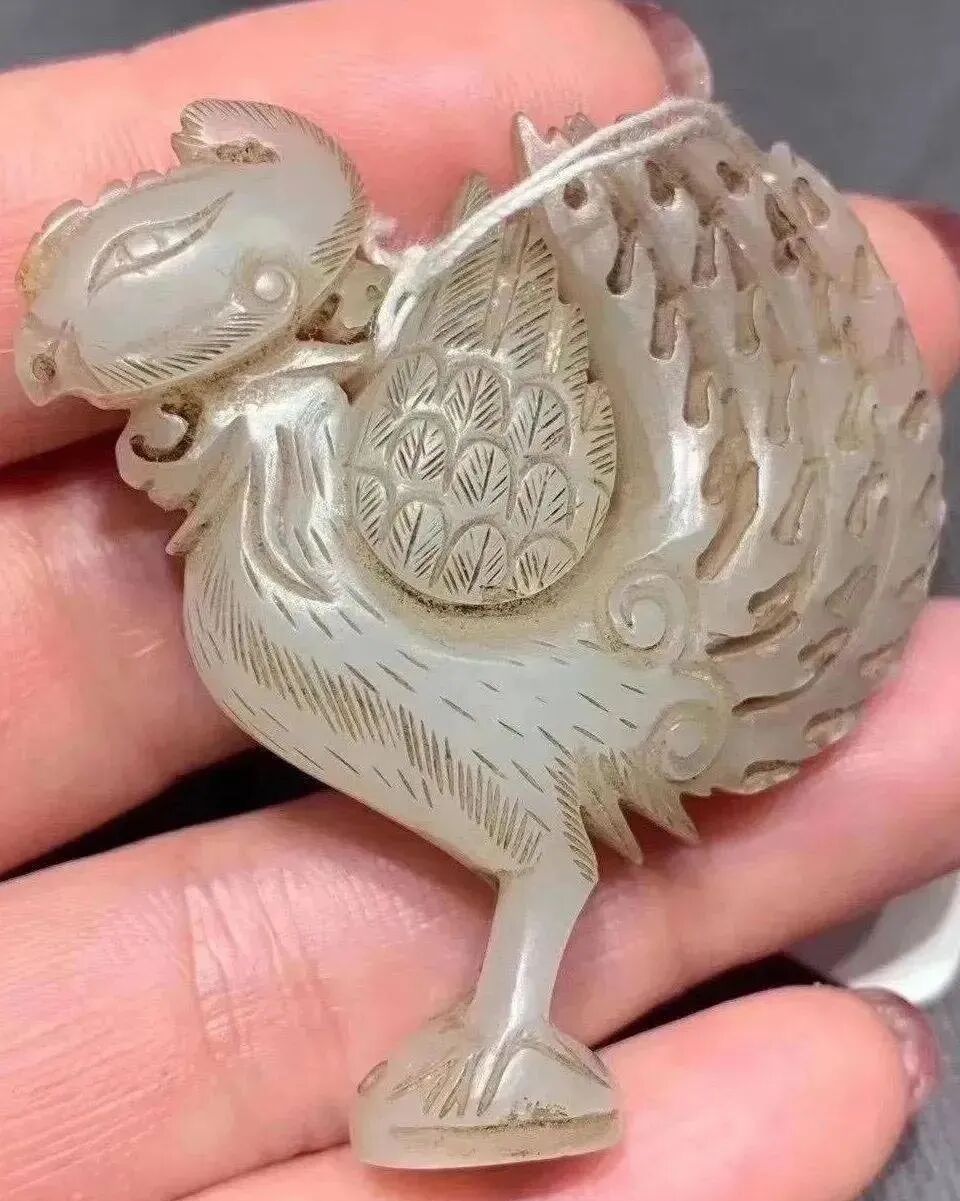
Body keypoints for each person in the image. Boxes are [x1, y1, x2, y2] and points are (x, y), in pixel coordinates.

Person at [0, 2, 957, 1198]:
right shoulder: (283, 485)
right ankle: (508, 1037)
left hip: (586, 658)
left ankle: (513, 1040)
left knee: (527, 829)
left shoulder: (353, 492)